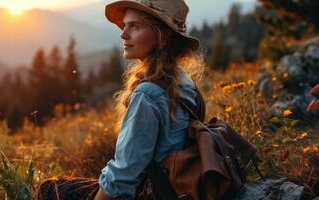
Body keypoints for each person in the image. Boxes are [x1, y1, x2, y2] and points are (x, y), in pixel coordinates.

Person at [37, 0, 205, 199]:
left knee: (50, 189)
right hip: (179, 188)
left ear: (162, 36)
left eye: (135, 26)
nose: (123, 34)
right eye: (125, 25)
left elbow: (123, 176)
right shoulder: (184, 81)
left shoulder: (148, 94)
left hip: (154, 193)